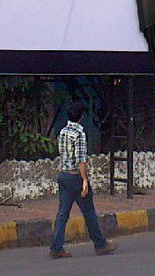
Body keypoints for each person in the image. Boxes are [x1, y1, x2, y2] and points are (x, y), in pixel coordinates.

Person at [49, 101, 117, 259]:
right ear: (81, 117)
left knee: (62, 213)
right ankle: (100, 244)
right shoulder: (79, 134)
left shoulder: (63, 132)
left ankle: (56, 247)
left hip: (63, 175)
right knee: (89, 212)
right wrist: (84, 180)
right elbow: (80, 160)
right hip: (75, 177)